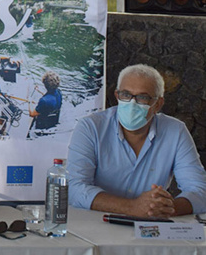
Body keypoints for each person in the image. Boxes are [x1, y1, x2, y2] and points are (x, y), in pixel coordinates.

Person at [67, 64, 206, 217]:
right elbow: (75, 188)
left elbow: (200, 190)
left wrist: (164, 208)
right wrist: (132, 207)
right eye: (126, 95)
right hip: (94, 226)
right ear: (117, 95)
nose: (132, 103)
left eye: (142, 97)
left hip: (151, 228)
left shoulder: (176, 131)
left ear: (157, 104)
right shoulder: (90, 127)